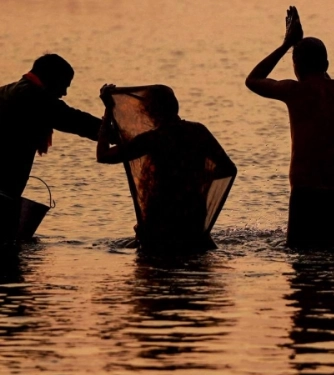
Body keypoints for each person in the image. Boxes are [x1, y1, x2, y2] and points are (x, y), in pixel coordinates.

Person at [0, 54, 101, 248]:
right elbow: (76, 121)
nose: (64, 93)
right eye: (64, 85)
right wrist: (120, 132)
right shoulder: (37, 97)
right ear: (51, 78)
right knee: (4, 261)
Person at [245, 7, 334, 249]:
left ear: (296, 66)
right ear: (326, 63)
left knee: (302, 264)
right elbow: (322, 79)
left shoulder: (294, 91)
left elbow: (252, 80)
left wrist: (287, 44)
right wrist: (303, 48)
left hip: (307, 193)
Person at [96, 85, 237, 254]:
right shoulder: (198, 131)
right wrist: (199, 178)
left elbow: (103, 155)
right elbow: (228, 168)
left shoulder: (153, 139)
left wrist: (108, 112)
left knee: (156, 268)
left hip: (160, 217)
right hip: (193, 213)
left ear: (150, 111)